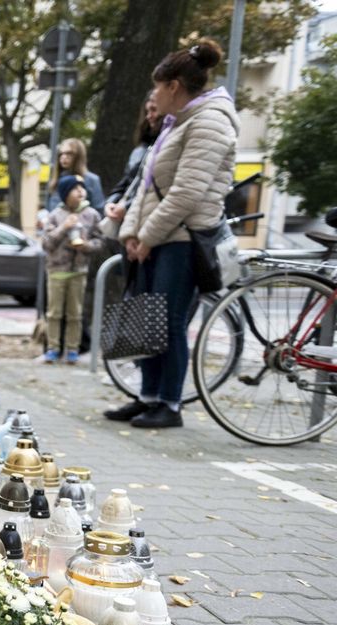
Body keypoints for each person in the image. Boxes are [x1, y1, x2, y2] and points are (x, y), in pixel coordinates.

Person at [107, 39, 238, 429]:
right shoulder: (175, 125)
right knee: (149, 320)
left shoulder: (210, 121)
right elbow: (145, 186)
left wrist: (146, 237)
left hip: (183, 241)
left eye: (157, 88)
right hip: (158, 238)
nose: (153, 96)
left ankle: (169, 403)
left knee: (171, 323)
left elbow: (185, 194)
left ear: (174, 87)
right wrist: (131, 233)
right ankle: (147, 397)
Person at [41, 175, 103, 365]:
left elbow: (100, 241)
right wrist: (64, 227)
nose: (80, 192)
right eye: (75, 189)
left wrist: (85, 246)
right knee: (54, 313)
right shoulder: (55, 215)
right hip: (56, 271)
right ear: (65, 193)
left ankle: (73, 349)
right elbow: (47, 243)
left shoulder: (92, 215)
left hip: (79, 271)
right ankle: (52, 348)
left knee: (75, 313)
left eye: (81, 188)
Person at [103, 95, 163, 233]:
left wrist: (127, 206)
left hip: (147, 223)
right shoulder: (141, 149)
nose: (149, 116)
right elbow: (126, 182)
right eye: (147, 112)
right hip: (129, 221)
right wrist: (111, 203)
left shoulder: (167, 146)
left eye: (153, 110)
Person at [45, 138, 106, 214]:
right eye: (61, 154)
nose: (64, 157)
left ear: (78, 156)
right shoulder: (55, 180)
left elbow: (99, 210)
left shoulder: (92, 180)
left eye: (69, 153)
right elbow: (49, 209)